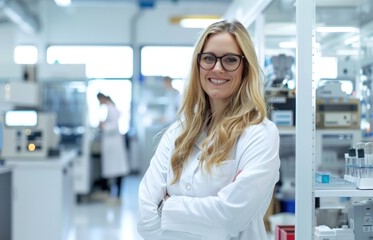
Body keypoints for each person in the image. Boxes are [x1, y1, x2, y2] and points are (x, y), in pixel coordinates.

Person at [137, 20, 280, 240]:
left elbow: (229, 217)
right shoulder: (177, 133)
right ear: (198, 65)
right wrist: (208, 215)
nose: (217, 68)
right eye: (208, 58)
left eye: (230, 60)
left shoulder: (260, 134)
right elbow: (146, 221)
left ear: (245, 68)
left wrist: (166, 208)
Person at [97, 93, 130, 202]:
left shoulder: (110, 108)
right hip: (113, 143)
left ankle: (116, 196)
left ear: (102, 99)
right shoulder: (111, 107)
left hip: (113, 144)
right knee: (115, 170)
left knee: (117, 170)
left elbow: (114, 126)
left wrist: (103, 126)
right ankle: (114, 196)